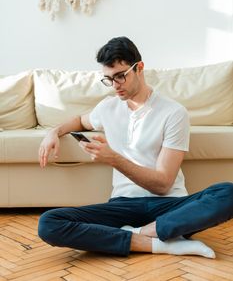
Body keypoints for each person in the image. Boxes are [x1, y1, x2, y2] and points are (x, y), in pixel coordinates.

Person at [38, 36, 233, 259]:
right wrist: (52, 132)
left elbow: (162, 184)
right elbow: (80, 121)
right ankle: (161, 244)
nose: (115, 86)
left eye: (121, 76)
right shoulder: (108, 107)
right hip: (122, 206)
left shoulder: (173, 112)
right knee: (49, 223)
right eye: (108, 79)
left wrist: (113, 158)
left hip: (169, 206)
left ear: (139, 68)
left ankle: (140, 234)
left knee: (228, 193)